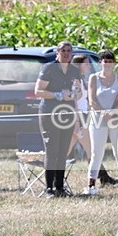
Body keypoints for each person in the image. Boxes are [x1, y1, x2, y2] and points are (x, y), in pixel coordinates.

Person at [34, 41, 82, 198]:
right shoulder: (49, 68)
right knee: (52, 150)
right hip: (49, 113)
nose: (66, 53)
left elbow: (79, 94)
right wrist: (58, 95)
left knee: (63, 151)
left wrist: (75, 92)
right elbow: (38, 91)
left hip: (66, 114)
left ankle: (60, 187)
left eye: (69, 51)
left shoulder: (74, 71)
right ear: (57, 52)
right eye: (63, 50)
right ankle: (49, 188)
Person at [84, 50, 118, 195]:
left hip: (115, 118)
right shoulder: (93, 78)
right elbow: (92, 100)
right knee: (97, 152)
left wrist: (112, 113)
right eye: (105, 61)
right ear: (100, 62)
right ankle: (91, 184)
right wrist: (103, 113)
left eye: (110, 61)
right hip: (97, 120)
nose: (107, 64)